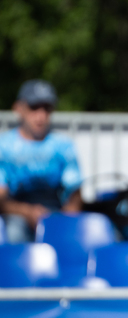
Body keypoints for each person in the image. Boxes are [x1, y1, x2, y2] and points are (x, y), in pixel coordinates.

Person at [0, 80, 82, 243]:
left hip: (54, 211)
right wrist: (28, 212)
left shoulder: (63, 146)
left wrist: (64, 223)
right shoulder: (4, 146)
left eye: (46, 108)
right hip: (15, 213)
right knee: (15, 232)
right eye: (34, 107)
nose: (41, 115)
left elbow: (74, 194)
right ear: (19, 108)